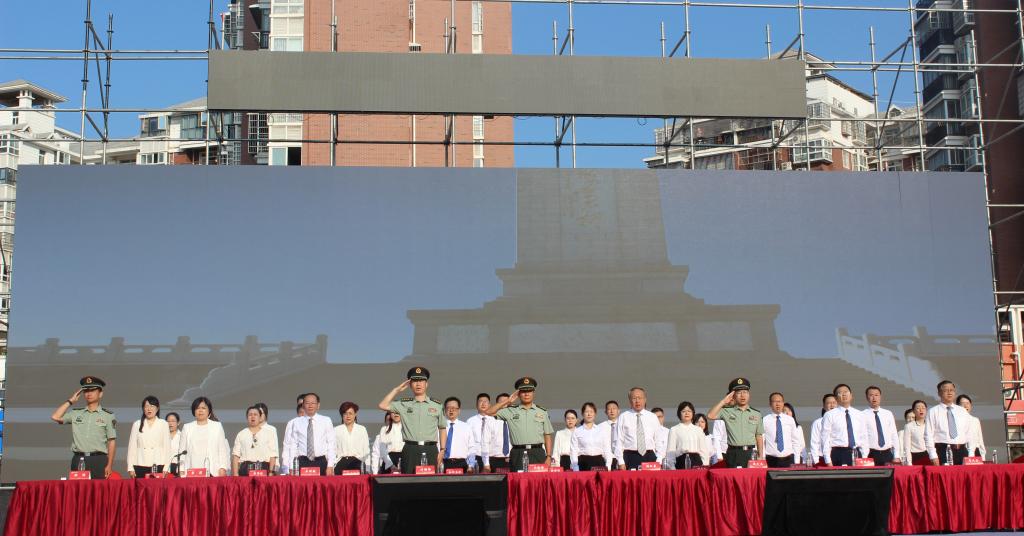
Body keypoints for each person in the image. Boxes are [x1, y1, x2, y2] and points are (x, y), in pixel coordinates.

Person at [378, 367, 447, 474]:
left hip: (431, 449)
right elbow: (382, 405)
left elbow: (442, 428)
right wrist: (396, 390)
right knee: (408, 481)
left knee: (431, 482)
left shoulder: (437, 405)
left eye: (421, 381)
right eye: (414, 381)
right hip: (410, 449)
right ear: (410, 385)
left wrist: (442, 450)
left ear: (426, 384)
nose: (418, 384)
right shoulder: (404, 404)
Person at [50, 376, 116, 479]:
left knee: (98, 489)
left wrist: (109, 465)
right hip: (78, 459)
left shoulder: (108, 415)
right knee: (78, 489)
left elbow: (111, 441)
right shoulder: (76, 413)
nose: (89, 393)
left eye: (92, 390)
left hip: (98, 460)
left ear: (100, 394)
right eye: (86, 391)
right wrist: (70, 401)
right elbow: (55, 417)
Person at [485, 377, 554, 471]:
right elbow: (489, 412)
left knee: (537, 479)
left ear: (533, 393)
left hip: (537, 452)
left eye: (529, 391)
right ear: (518, 394)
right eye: (523, 391)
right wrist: (508, 401)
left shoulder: (542, 412)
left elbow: (547, 435)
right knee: (517, 479)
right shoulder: (510, 411)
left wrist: (549, 456)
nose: (526, 394)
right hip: (518, 453)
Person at [708, 378, 764, 467]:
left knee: (750, 476)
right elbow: (710, 416)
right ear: (733, 396)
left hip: (751, 453)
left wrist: (761, 456)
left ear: (749, 394)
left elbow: (759, 436)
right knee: (732, 476)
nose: (742, 395)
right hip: (733, 453)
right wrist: (723, 401)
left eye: (745, 392)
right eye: (739, 393)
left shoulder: (756, 413)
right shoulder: (727, 411)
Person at [281, 392, 336, 475]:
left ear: (318, 405)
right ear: (303, 405)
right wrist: (292, 467)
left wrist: (330, 465)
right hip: (302, 461)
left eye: (313, 403)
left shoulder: (326, 420)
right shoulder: (296, 422)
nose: (310, 406)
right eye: (307, 403)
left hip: (321, 462)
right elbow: (293, 446)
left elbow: (331, 444)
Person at [924, 380, 975, 465]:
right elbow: (928, 435)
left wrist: (971, 453)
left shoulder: (962, 411)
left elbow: (969, 433)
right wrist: (933, 455)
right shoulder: (933, 411)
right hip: (942, 451)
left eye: (952, 390)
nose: (949, 392)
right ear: (939, 393)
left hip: (962, 451)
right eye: (946, 390)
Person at [821, 384, 869, 467]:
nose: (844, 395)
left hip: (857, 452)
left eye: (846, 392)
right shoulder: (829, 415)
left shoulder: (860, 414)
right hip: (839, 453)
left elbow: (864, 437)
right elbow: (825, 439)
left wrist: (864, 456)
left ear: (851, 395)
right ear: (836, 398)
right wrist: (828, 460)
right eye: (840, 393)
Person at [615, 387, 663, 470]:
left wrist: (659, 460)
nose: (637, 401)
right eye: (634, 398)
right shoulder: (623, 417)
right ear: (630, 401)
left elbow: (658, 440)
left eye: (640, 398)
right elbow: (618, 441)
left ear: (645, 399)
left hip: (650, 456)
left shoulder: (652, 417)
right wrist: (620, 461)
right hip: (630, 456)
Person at [180, 396, 229, 476]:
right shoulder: (187, 427)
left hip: (212, 471)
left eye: (203, 408)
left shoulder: (217, 426)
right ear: (194, 411)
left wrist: (223, 467)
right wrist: (181, 469)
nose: (200, 410)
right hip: (192, 471)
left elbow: (222, 449)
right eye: (197, 408)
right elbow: (182, 451)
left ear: (209, 411)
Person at [126, 395, 170, 478]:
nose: (149, 409)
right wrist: (130, 467)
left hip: (158, 463)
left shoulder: (163, 424)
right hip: (140, 463)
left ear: (157, 408)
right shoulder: (137, 424)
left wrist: (167, 467)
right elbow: (132, 447)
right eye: (146, 406)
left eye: (152, 406)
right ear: (143, 409)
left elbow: (167, 447)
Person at [232, 405, 279, 475]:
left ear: (260, 417)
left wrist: (271, 472)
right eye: (250, 415)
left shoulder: (268, 434)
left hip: (263, 469)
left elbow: (273, 456)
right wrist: (235, 474)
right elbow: (236, 456)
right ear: (247, 418)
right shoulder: (241, 434)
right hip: (245, 470)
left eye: (255, 414)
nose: (253, 417)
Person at [862, 386, 902, 465]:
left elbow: (893, 434)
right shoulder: (862, 415)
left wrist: (896, 455)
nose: (874, 398)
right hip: (870, 453)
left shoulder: (888, 413)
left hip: (887, 453)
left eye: (876, 395)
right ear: (867, 397)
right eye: (871, 395)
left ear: (880, 397)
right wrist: (863, 456)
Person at [466, 393, 504, 473]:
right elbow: (468, 442)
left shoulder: (495, 420)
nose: (483, 404)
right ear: (476, 405)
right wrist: (470, 463)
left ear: (490, 405)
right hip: (476, 457)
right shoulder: (470, 421)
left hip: (492, 457)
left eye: (485, 401)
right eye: (480, 401)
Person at [666, 401, 710, 468]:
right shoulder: (674, 429)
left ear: (693, 413)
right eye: (683, 411)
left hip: (697, 462)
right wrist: (672, 467)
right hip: (681, 461)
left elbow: (703, 450)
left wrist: (705, 465)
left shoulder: (698, 430)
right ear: (679, 413)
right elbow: (670, 451)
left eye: (689, 411)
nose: (687, 413)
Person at [571, 402, 613, 471]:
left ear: (595, 414)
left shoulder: (601, 430)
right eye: (586, 412)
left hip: (599, 462)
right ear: (582, 414)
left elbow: (607, 449)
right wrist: (575, 467)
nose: (589, 414)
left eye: (591, 411)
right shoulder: (577, 431)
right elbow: (574, 451)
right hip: (583, 463)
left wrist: (608, 465)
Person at [762, 392, 800, 468]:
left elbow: (795, 441)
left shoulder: (790, 420)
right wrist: (762, 458)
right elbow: (762, 441)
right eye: (775, 402)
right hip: (771, 459)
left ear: (783, 403)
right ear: (770, 404)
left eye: (780, 401)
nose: (778, 404)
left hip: (788, 459)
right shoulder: (764, 420)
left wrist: (797, 460)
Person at [441, 397, 477, 472]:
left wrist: (471, 465)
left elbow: (471, 447)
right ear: (444, 410)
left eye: (454, 408)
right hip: (443, 463)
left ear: (459, 410)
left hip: (461, 463)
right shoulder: (440, 427)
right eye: (448, 408)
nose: (451, 410)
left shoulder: (466, 427)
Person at [333, 402, 370, 473]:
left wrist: (368, 468)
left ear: (355, 414)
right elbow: (333, 450)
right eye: (345, 413)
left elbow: (366, 450)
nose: (348, 416)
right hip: (341, 462)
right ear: (342, 415)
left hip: (357, 461)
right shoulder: (336, 430)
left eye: (350, 413)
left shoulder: (362, 429)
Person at [810, 394, 838, 465]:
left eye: (834, 403)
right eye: (829, 403)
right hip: (822, 458)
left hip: (838, 456)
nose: (832, 405)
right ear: (824, 406)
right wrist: (816, 461)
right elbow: (814, 443)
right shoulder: (817, 422)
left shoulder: (842, 421)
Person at [489, 393, 513, 471]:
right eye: (501, 402)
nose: (504, 404)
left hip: (513, 458)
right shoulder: (490, 420)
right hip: (494, 459)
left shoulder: (516, 420)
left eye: (506, 402)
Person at [903, 401, 929, 465]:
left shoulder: (930, 424)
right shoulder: (909, 426)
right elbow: (907, 446)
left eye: (923, 408)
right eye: (918, 408)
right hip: (916, 456)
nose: (921, 410)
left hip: (930, 455)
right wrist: (909, 463)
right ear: (914, 411)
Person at [598, 400, 621, 470]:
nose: (612, 411)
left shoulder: (623, 425)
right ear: (605, 412)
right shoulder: (600, 427)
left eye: (614, 408)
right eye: (609, 409)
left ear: (618, 411)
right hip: (605, 459)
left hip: (621, 458)